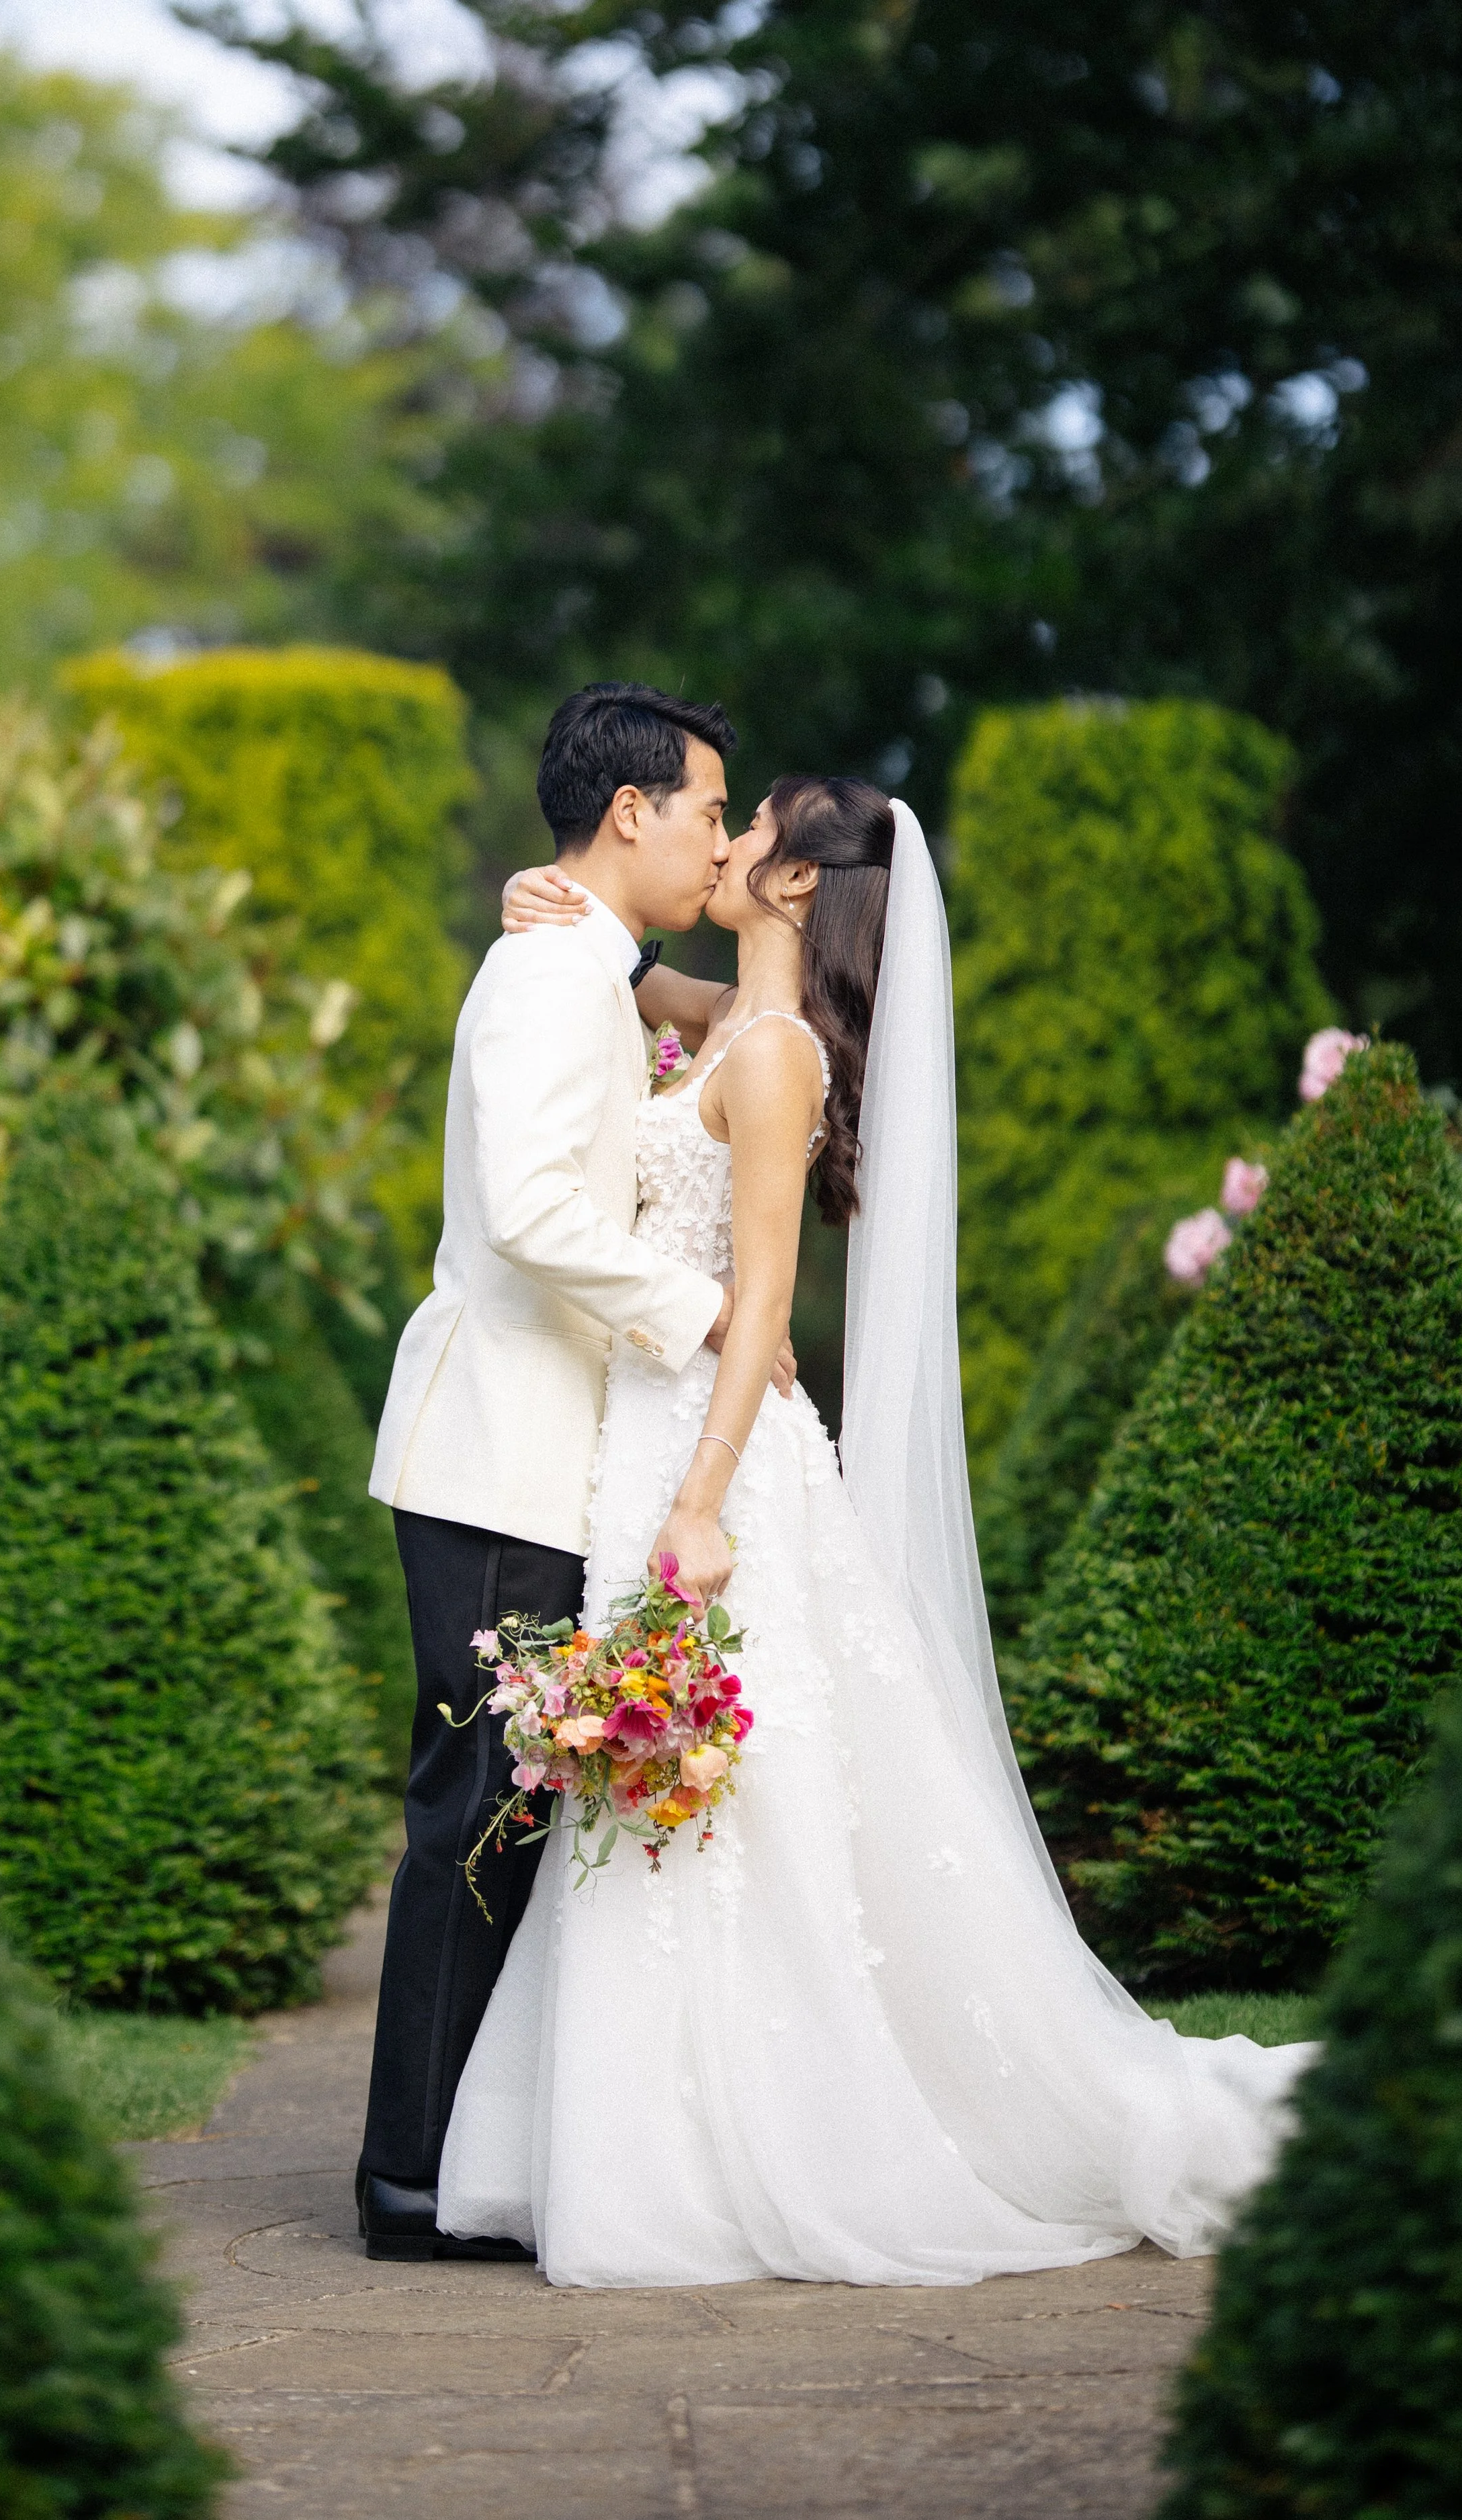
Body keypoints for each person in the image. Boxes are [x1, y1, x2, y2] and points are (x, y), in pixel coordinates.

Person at [434, 776, 1314, 2289]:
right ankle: (653, 2137)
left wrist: (699, 1502)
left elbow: (767, 1299)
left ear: (794, 883)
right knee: (696, 1789)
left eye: (749, 827)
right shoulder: (732, 1018)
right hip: (647, 1432)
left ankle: (745, 2142)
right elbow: (629, 973)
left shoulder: (776, 1055)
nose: (723, 842)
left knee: (738, 1790)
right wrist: (549, 892)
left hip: (710, 1452)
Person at [357, 682, 795, 2261]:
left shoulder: (583, 959)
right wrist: (709, 1311)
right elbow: (534, 1210)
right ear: (629, 811)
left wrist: (689, 971)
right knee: (475, 1807)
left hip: (545, 1452)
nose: (717, 841)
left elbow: (668, 1008)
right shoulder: (550, 972)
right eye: (706, 810)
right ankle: (408, 2178)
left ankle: (466, 2153)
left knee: (516, 1805)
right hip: (499, 1454)